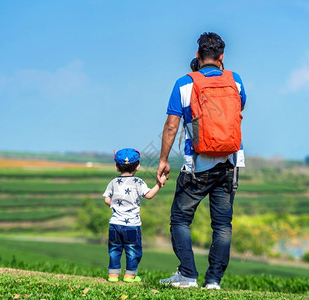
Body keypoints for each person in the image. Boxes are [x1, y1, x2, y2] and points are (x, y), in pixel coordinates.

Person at [157, 32, 247, 289]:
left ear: (197, 56)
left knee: (180, 219)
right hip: (230, 162)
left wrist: (163, 160)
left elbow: (171, 127)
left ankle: (187, 274)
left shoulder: (184, 84)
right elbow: (237, 110)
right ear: (222, 57)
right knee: (222, 224)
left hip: (196, 165)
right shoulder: (236, 81)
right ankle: (214, 281)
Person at [103, 148, 165, 283]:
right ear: (138, 166)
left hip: (114, 224)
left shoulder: (113, 182)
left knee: (114, 250)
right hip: (132, 225)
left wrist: (117, 205)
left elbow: (107, 200)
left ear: (116, 167)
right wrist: (159, 185)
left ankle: (113, 275)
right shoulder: (138, 182)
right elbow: (148, 195)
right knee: (132, 251)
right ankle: (129, 276)